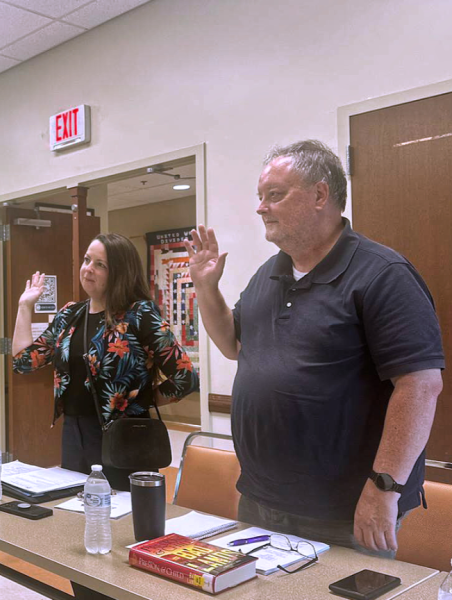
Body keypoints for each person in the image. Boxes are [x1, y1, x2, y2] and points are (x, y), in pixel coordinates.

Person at [186, 140, 444, 558]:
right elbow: (233, 344)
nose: (261, 208)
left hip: (345, 511)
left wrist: (385, 488)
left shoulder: (382, 275)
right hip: (261, 499)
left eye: (275, 195)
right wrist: (205, 287)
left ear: (321, 195)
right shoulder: (268, 274)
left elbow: (419, 387)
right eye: (260, 197)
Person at [12, 232, 199, 492]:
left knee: (122, 519)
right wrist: (24, 307)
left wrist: (140, 399)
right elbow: (23, 361)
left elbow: (185, 379)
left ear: (120, 272)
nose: (88, 269)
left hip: (125, 437)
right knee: (75, 510)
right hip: (75, 432)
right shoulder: (70, 314)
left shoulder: (140, 314)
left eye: (100, 265)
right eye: (87, 260)